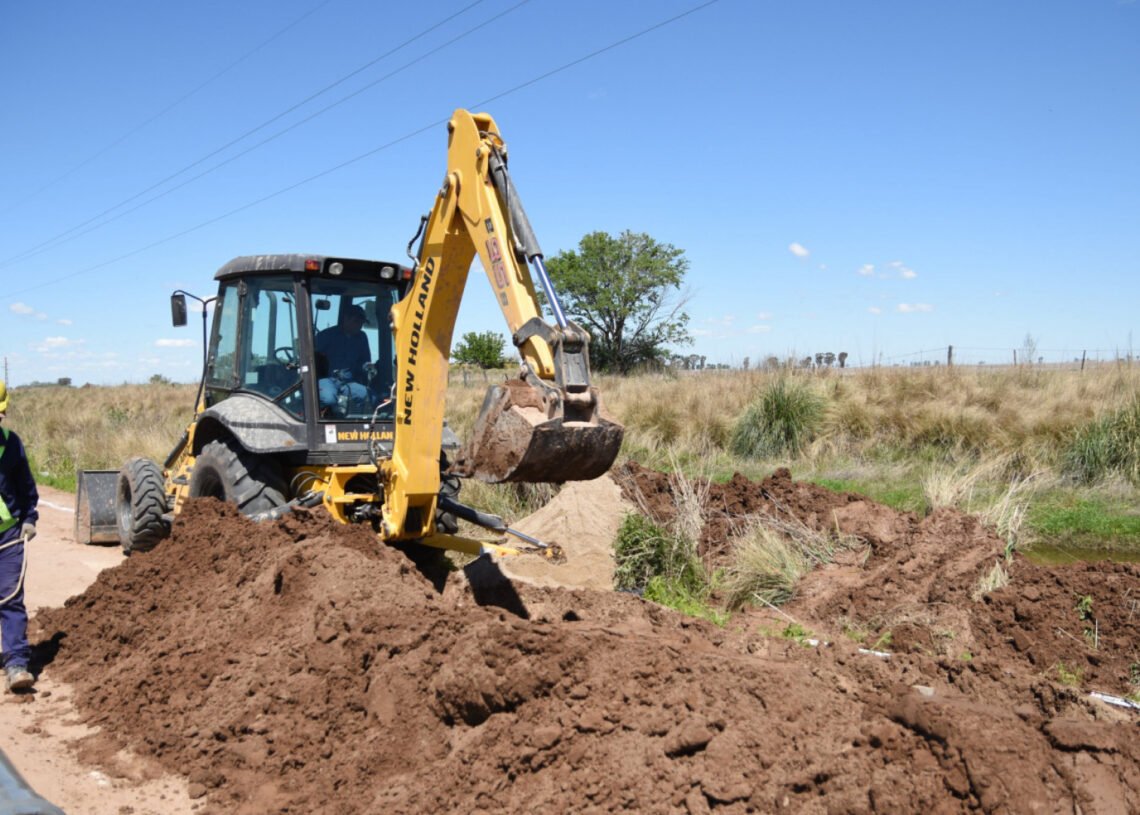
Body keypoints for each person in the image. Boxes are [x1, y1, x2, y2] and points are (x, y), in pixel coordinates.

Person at [0, 381, 38, 692]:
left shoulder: (11, 444)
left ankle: (16, 663)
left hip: (8, 535)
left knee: (11, 598)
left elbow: (26, 486)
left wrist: (29, 518)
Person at [314, 304, 373, 416]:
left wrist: (368, 369)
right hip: (327, 379)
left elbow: (365, 362)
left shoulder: (362, 337)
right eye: (356, 321)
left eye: (361, 323)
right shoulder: (326, 335)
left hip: (348, 382)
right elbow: (312, 358)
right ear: (346, 319)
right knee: (329, 399)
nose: (359, 325)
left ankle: (356, 422)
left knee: (370, 396)